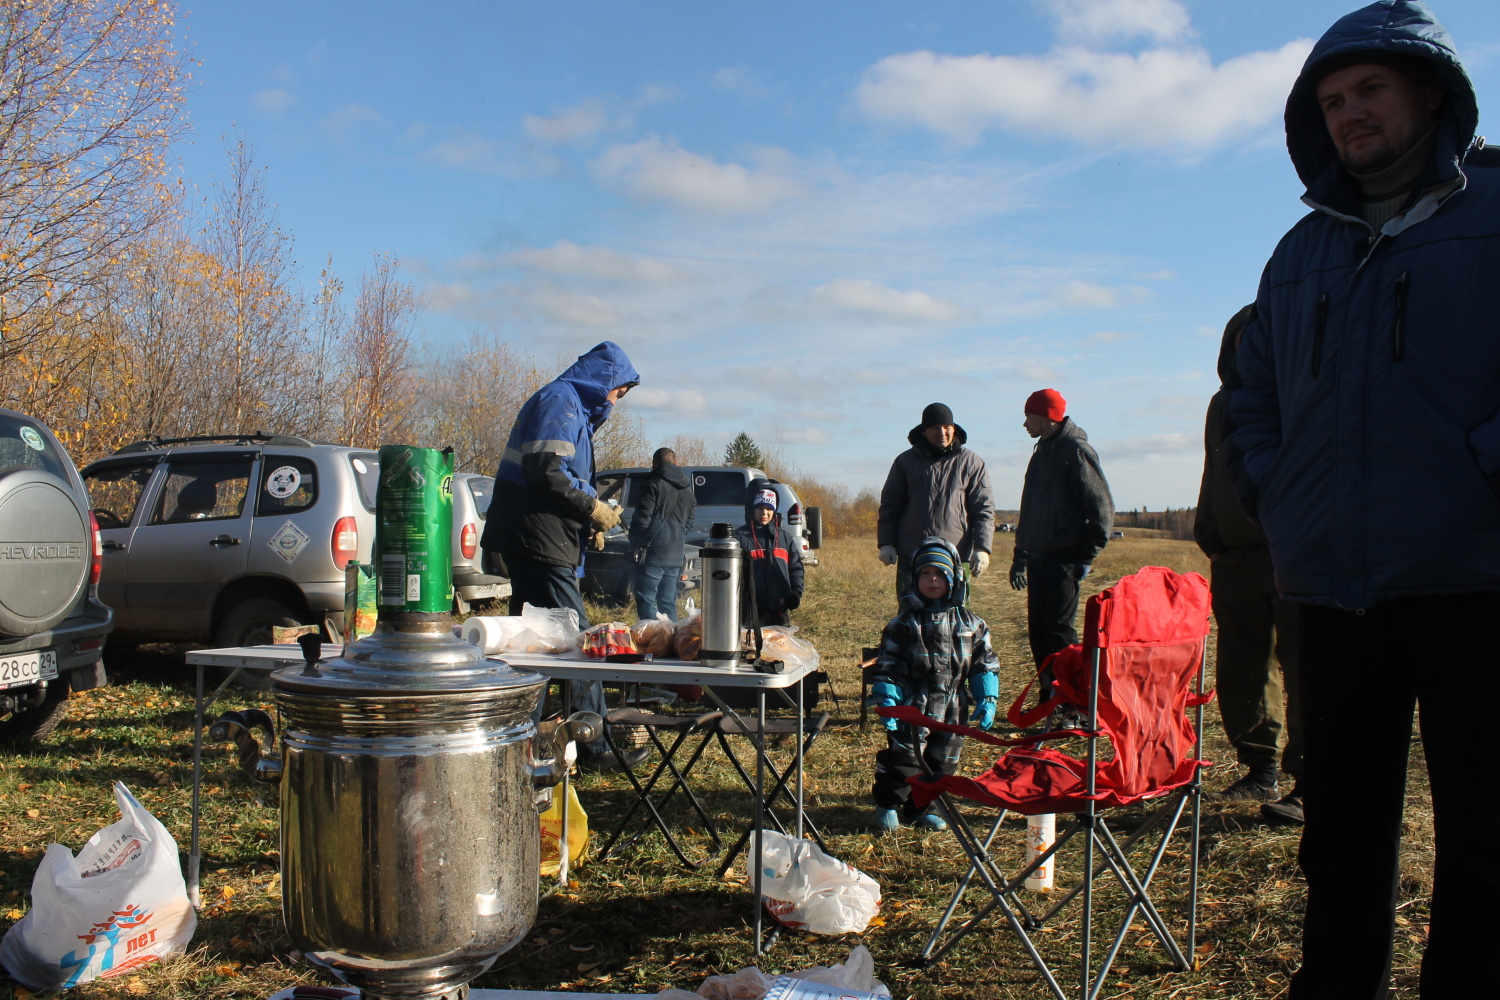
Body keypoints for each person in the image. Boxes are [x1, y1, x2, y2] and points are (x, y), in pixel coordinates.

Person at [1227, 3, 1500, 994]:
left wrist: (1483, 473)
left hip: (1477, 579)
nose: (1350, 113)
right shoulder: (1300, 253)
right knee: (1338, 839)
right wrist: (1279, 493)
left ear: (1430, 92)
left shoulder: (1493, 214)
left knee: (1485, 842)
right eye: (1332, 101)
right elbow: (1251, 393)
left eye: (1370, 90)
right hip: (1335, 589)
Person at [481, 340, 643, 772]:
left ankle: (516, 746)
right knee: (580, 641)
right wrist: (590, 509)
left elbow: (560, 479)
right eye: (618, 393)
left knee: (533, 646)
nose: (616, 403)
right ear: (604, 381)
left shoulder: (571, 408)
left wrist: (586, 522)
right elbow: (545, 470)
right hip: (537, 539)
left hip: (535, 536)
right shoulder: (561, 400)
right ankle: (595, 747)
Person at [1194, 306, 1304, 821]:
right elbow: (1214, 470)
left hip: (1291, 550)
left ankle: (1310, 779)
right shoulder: (1222, 404)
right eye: (1241, 340)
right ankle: (1260, 769)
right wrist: (1209, 533)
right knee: (1242, 668)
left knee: (1305, 668)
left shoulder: (1299, 390)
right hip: (1235, 559)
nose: (1248, 348)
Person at [867, 536, 999, 834]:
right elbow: (889, 666)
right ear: (914, 579)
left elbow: (984, 663)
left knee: (943, 762)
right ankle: (889, 804)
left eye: (940, 574)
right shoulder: (903, 624)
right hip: (914, 703)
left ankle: (925, 808)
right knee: (904, 757)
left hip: (954, 705)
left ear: (954, 579)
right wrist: (888, 699)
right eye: (925, 573)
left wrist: (987, 697)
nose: (933, 580)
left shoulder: (972, 624)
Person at [1010, 388, 1113, 671]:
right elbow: (1030, 509)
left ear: (1046, 416)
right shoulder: (1041, 452)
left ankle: (1069, 695)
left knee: (1059, 635)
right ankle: (1048, 694)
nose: (1025, 423)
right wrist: (1021, 556)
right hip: (1038, 560)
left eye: (1029, 416)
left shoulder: (1076, 452)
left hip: (1064, 562)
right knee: (1038, 633)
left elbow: (1102, 508)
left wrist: (1086, 556)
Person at [877, 402, 995, 600]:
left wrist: (982, 548)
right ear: (924, 431)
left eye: (947, 427)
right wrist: (886, 543)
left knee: (956, 611)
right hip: (912, 555)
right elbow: (890, 506)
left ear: (953, 428)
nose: (942, 432)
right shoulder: (905, 462)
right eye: (935, 428)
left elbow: (983, 509)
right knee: (911, 610)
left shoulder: (972, 462)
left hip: (955, 555)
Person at [628, 447, 696, 622]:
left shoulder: (653, 484)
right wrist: (678, 536)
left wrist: (637, 541)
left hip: (654, 553)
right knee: (668, 602)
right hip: (676, 553)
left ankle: (652, 635)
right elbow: (690, 522)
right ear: (676, 463)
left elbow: (642, 518)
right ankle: (672, 636)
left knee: (646, 599)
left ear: (654, 464)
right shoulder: (687, 491)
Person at [733, 486, 804, 626]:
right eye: (760, 508)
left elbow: (795, 568)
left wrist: (796, 592)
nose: (764, 513)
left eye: (769, 508)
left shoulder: (785, 538)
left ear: (775, 510)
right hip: (750, 611)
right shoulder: (739, 538)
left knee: (779, 640)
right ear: (752, 509)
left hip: (779, 610)